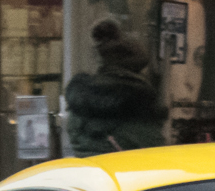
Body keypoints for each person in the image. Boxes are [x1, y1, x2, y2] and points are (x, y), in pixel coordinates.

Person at [64, 19, 165, 156]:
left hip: (88, 171)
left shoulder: (81, 100)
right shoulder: (137, 103)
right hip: (125, 173)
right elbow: (155, 153)